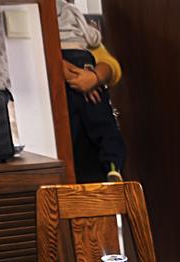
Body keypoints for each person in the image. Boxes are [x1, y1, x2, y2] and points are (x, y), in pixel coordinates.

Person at [56, 0, 126, 182]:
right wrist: (79, 74)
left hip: (80, 85)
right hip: (83, 67)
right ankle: (113, 165)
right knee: (104, 128)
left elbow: (111, 66)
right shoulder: (71, 14)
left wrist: (93, 77)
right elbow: (94, 40)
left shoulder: (55, 14)